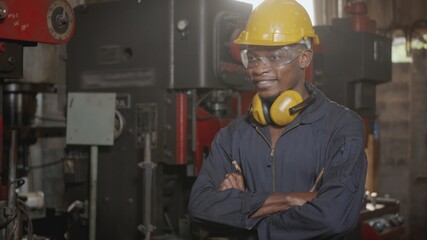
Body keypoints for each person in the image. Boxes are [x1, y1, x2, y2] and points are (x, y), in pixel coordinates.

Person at [188, 0, 367, 239]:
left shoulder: (342, 127)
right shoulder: (233, 136)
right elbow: (200, 207)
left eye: (274, 56)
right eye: (252, 57)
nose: (259, 69)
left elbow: (334, 218)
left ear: (304, 58)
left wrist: (243, 214)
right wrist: (292, 199)